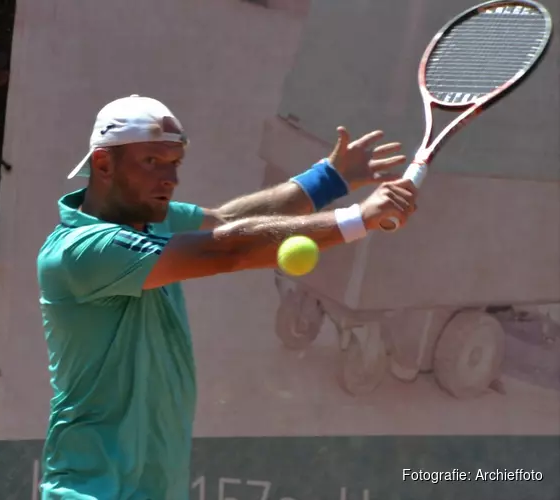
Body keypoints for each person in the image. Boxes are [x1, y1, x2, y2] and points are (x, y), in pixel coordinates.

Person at [37, 95, 417, 499]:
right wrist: (358, 219)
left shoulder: (152, 222)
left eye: (174, 163)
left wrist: (329, 179)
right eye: (152, 161)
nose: (170, 178)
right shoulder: (82, 251)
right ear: (103, 164)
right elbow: (228, 248)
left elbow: (228, 219)